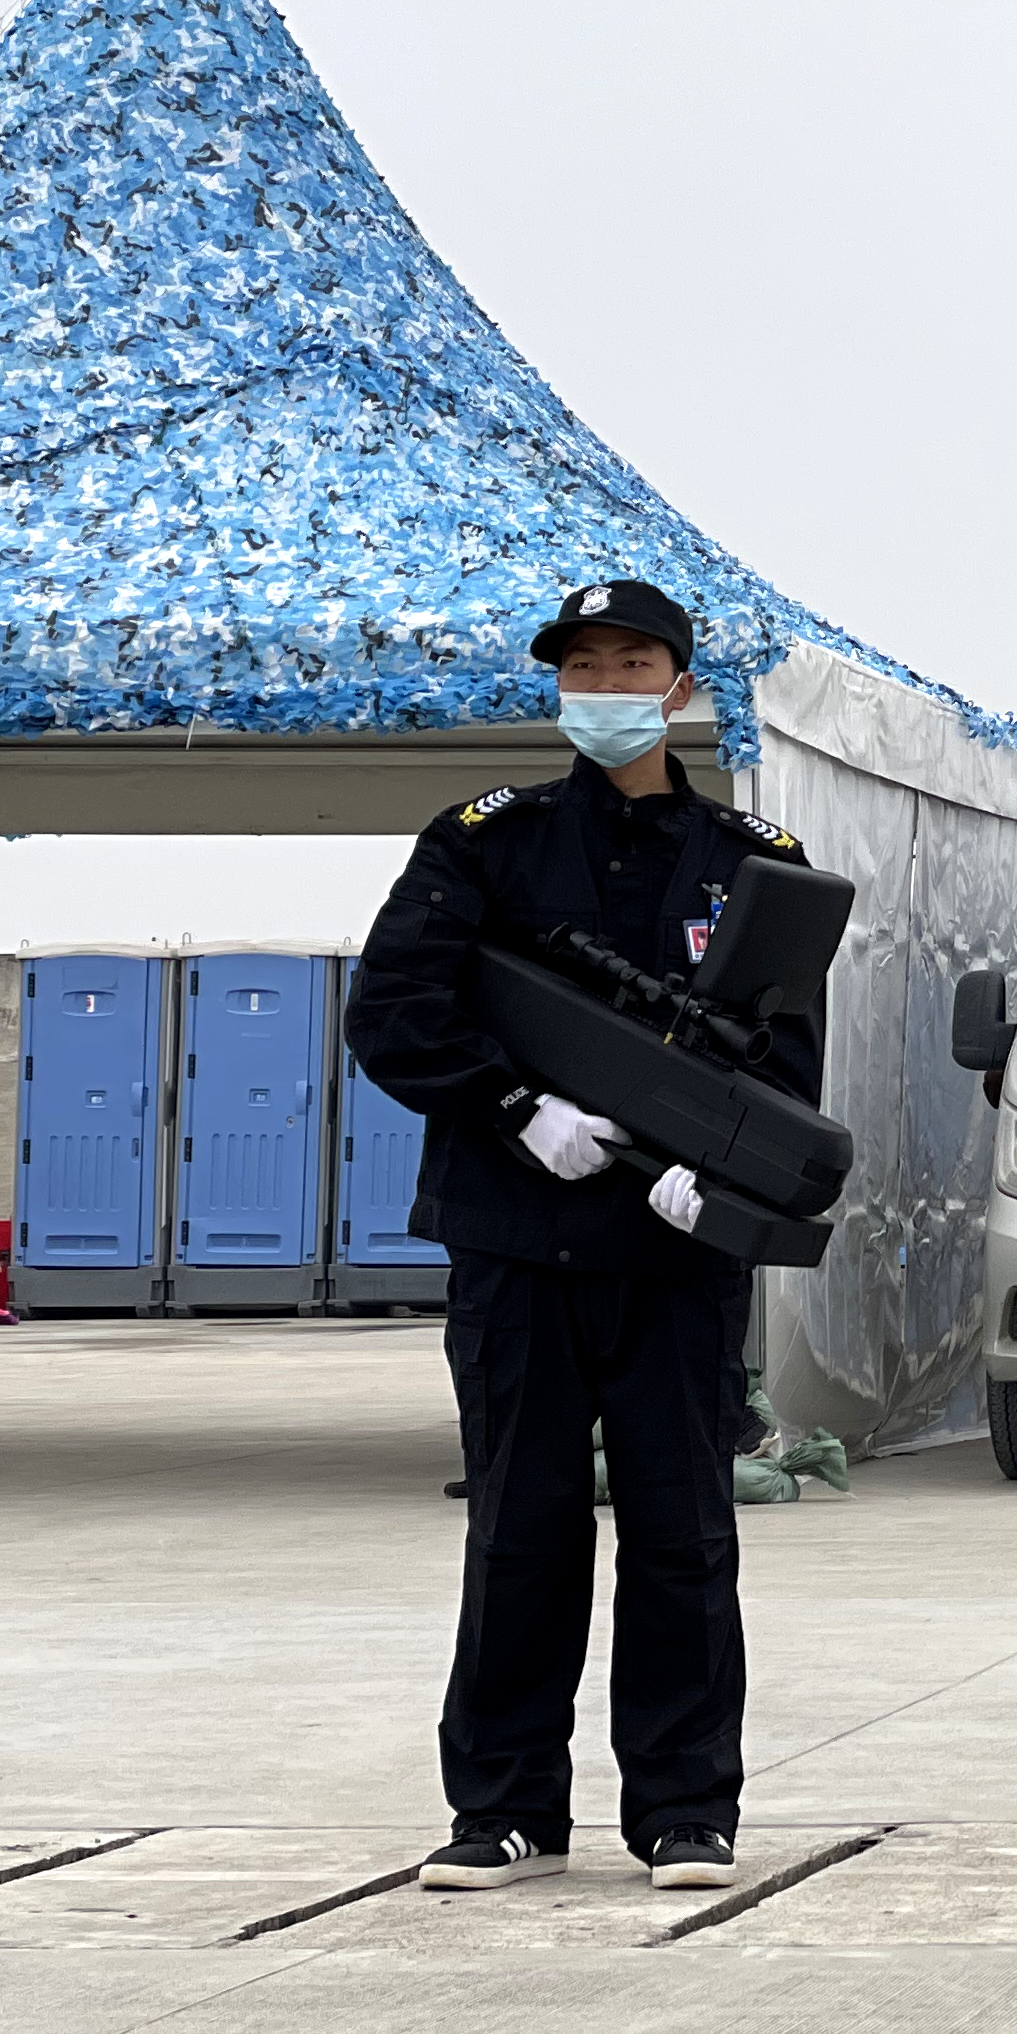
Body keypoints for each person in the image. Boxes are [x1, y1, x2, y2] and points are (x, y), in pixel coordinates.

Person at [350, 581, 821, 1893]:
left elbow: (783, 1073)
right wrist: (515, 1108)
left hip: (672, 1253)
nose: (607, 687)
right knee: (522, 1529)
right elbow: (393, 1013)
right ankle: (504, 1808)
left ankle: (684, 1809)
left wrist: (715, 1192)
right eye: (584, 667)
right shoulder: (484, 845)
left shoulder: (755, 865)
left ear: (678, 686)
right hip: (519, 1239)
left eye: (633, 664)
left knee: (683, 1534)